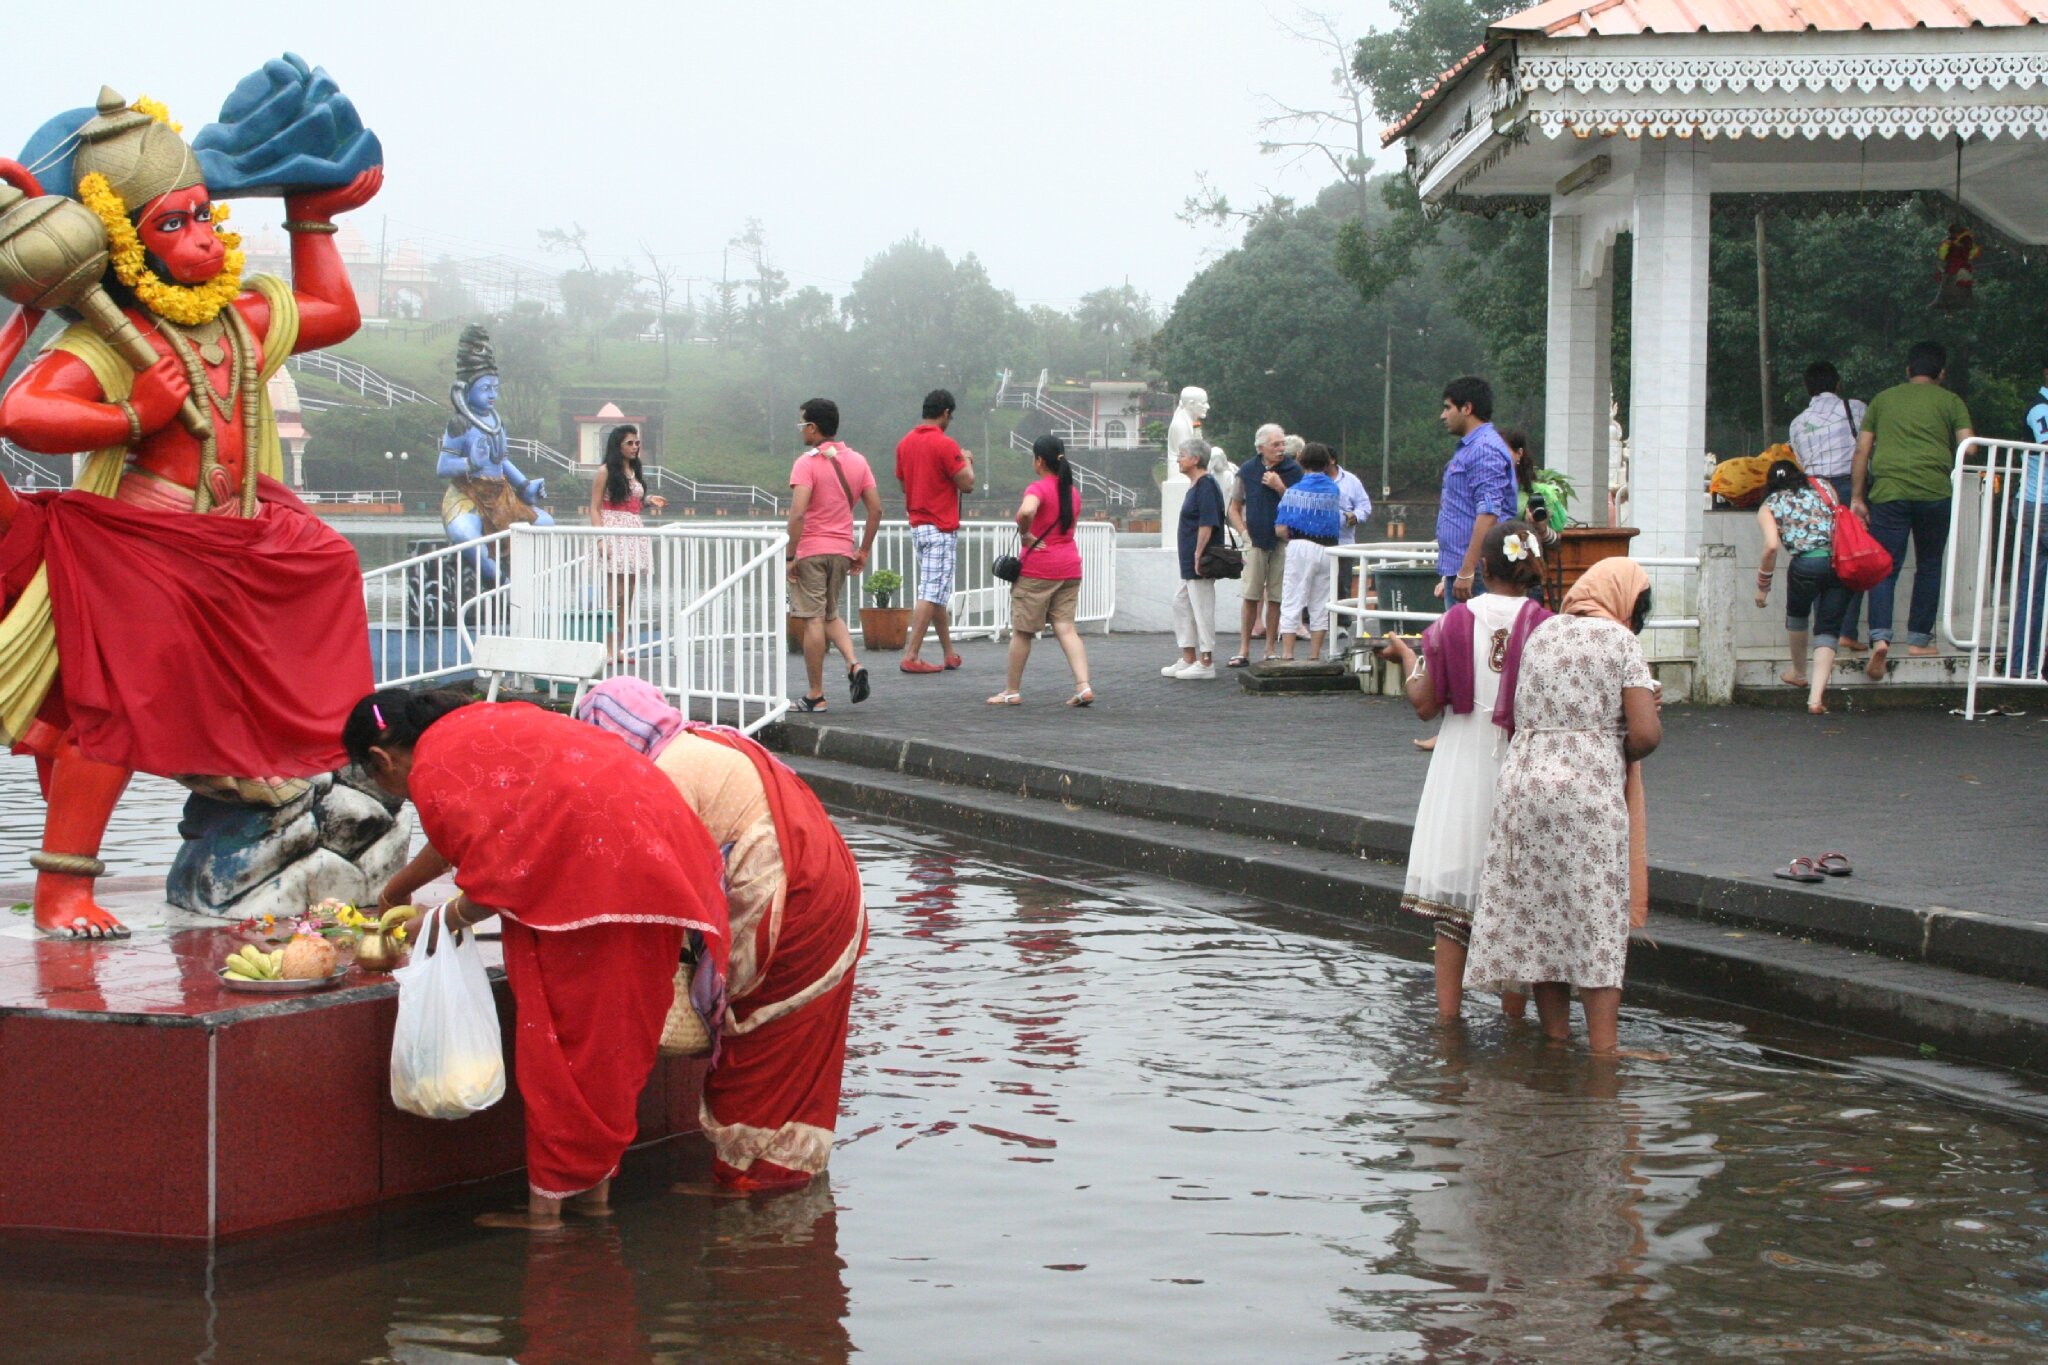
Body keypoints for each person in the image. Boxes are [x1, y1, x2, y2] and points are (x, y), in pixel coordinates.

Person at [348, 689, 730, 1230]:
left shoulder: (433, 767)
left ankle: (545, 1216)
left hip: (588, 885)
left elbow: (496, 882)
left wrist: (437, 921)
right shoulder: (479, 726)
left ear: (383, 760)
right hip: (657, 865)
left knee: (559, 1049)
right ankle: (593, 1203)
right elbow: (468, 836)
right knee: (611, 1047)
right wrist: (397, 890)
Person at [572, 678, 867, 1193]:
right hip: (831, 882)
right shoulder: (709, 738)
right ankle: (784, 1180)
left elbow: (650, 886)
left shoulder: (656, 774)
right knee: (801, 1040)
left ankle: (750, 1181)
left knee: (756, 1040)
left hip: (787, 900)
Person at [1463, 558, 1662, 1055]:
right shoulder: (1621, 643)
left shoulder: (1543, 634)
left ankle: (1554, 1038)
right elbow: (1644, 733)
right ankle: (1604, 1050)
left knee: (1541, 917)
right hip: (1586, 795)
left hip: (1523, 787)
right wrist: (1615, 748)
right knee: (1595, 917)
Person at [1377, 521, 1547, 1023]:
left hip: (1462, 762)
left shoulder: (1452, 623)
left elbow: (1426, 705)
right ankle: (1515, 1023)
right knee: (1515, 900)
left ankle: (1448, 1022)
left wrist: (1408, 657)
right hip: (1523, 763)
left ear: (1486, 567)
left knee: (1453, 899)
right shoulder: (1546, 623)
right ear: (1530, 568)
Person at [1852, 340, 1973, 679]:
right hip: (1934, 492)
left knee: (1884, 568)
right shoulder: (1950, 400)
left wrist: (1859, 497)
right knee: (1930, 564)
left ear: (1908, 371)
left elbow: (1862, 451)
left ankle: (1880, 638)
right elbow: (1970, 445)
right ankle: (1919, 639)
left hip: (1889, 491)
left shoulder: (1883, 399)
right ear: (1942, 374)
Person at [787, 398, 881, 712]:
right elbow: (876, 509)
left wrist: (790, 555)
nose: (801, 430)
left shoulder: (807, 462)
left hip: (812, 550)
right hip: (842, 551)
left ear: (813, 428)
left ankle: (816, 695)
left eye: (803, 424)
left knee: (813, 620)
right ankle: (854, 664)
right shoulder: (857, 461)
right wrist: (863, 550)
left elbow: (798, 514)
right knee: (830, 614)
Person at [990, 436, 1092, 706]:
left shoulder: (1038, 488)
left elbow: (1026, 512)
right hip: (1070, 567)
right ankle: (1083, 686)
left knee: (1023, 631)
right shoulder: (1072, 492)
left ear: (1039, 460)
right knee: (1066, 628)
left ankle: (1011, 690)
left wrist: (1026, 535)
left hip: (1039, 569)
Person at [1756, 459, 1850, 714]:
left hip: (1805, 566)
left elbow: (1771, 547)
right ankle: (1815, 699)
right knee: (1828, 628)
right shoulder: (1823, 485)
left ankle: (1799, 673)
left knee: (1797, 617)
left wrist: (1763, 587)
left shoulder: (1770, 504)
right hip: (1838, 564)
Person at [1788, 362, 1869, 651]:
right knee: (1852, 558)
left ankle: (1825, 635)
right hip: (1848, 488)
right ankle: (1845, 630)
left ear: (1808, 388)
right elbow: (1868, 444)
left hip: (1814, 490)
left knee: (1819, 558)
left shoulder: (1797, 423)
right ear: (1838, 383)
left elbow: (1800, 460)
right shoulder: (1856, 409)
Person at [895, 388, 974, 674]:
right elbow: (967, 484)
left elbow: (905, 485)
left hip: (918, 527)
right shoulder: (945, 444)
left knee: (936, 590)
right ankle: (912, 655)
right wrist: (965, 460)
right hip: (940, 527)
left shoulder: (905, 443)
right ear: (946, 414)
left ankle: (949, 653)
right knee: (931, 591)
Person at [1434, 378, 1518, 604]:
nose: (1443, 416)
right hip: (1465, 569)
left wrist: (1468, 569)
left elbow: (1489, 512)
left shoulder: (1483, 449)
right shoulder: (1471, 448)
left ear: (1467, 408)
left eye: (1447, 407)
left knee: (1473, 639)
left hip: (1477, 572)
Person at [587, 424, 666, 665]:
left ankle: (619, 648)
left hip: (634, 530)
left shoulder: (634, 470)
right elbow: (595, 507)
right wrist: (600, 538)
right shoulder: (605, 472)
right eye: (629, 443)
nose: (635, 447)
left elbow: (631, 503)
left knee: (629, 594)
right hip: (614, 529)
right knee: (615, 594)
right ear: (618, 446)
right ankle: (609, 648)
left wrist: (648, 501)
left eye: (637, 443)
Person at [1228, 424, 1303, 666]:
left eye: (1282, 444)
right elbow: (1234, 507)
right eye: (1276, 445)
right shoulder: (1247, 470)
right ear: (1261, 448)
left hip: (1283, 542)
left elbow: (1299, 505)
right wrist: (1243, 534)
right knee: (1250, 595)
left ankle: (1270, 649)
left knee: (1276, 597)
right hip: (1256, 542)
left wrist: (1279, 486)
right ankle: (1244, 650)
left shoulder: (1293, 470)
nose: (1281, 449)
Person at [1273, 443, 1342, 661]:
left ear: (1301, 462)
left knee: (1292, 599)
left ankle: (1287, 654)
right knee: (1320, 604)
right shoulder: (1333, 490)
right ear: (1326, 462)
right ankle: (1314, 656)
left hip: (1300, 546)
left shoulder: (1294, 492)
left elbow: (1281, 527)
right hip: (1328, 550)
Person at [1166, 438, 1224, 680]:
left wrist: (1199, 553)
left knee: (1202, 608)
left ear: (1195, 459)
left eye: (1182, 455)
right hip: (1190, 561)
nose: (1178, 459)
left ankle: (1206, 661)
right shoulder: (1196, 485)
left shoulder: (1206, 485)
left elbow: (1207, 523)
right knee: (1181, 603)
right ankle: (1189, 657)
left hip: (1200, 559)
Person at [2018, 371, 2048, 677]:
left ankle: (2022, 664)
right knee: (2033, 589)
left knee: (2033, 588)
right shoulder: (2042, 409)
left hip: (2035, 503)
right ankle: (2024, 663)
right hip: (2042, 504)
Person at [1328, 447, 1374, 622]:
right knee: (1316, 584)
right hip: (1317, 542)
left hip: (1344, 542)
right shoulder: (1311, 480)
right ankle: (1313, 623)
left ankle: (1342, 624)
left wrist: (1356, 516)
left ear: (1332, 460)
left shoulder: (1351, 481)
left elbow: (1364, 505)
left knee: (1342, 583)